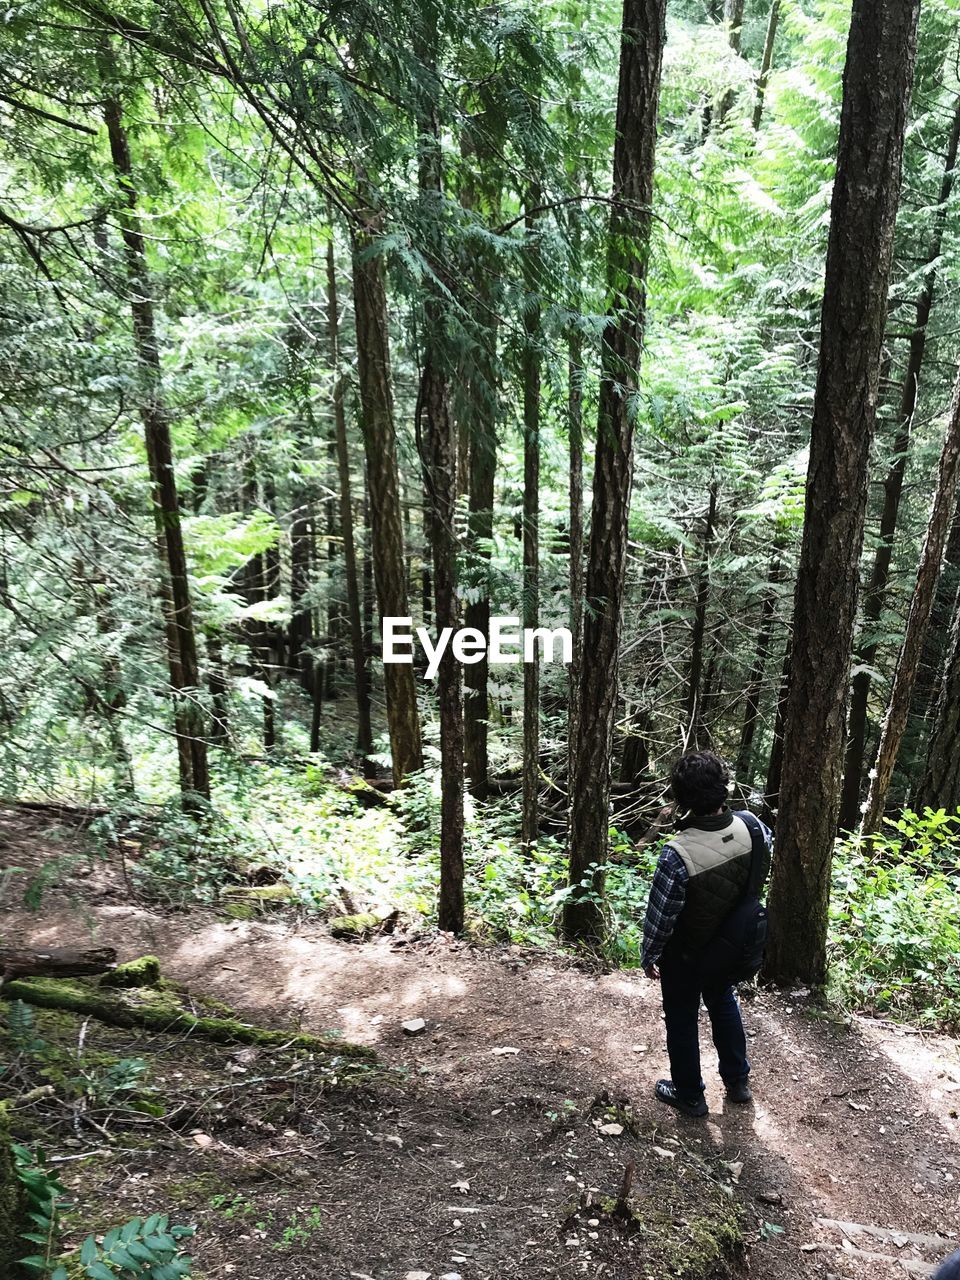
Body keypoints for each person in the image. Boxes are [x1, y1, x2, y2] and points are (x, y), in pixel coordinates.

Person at [640, 750, 772, 1118]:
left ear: (680, 798)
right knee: (723, 1001)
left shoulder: (677, 854)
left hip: (687, 954)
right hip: (732, 945)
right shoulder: (753, 827)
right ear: (723, 788)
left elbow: (661, 917)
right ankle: (737, 1081)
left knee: (681, 1018)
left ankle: (690, 1096)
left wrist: (649, 955)